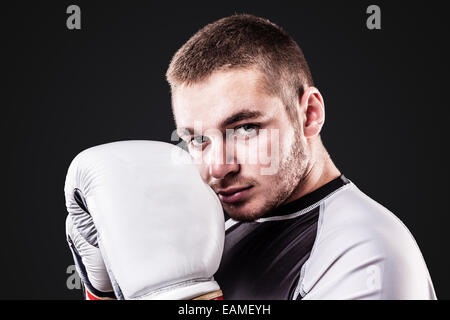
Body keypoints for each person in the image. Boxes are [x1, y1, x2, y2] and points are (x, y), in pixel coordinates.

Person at [165, 14, 436, 299]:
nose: (217, 167)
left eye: (245, 128)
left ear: (309, 115)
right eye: (197, 139)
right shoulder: (220, 237)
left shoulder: (367, 248)